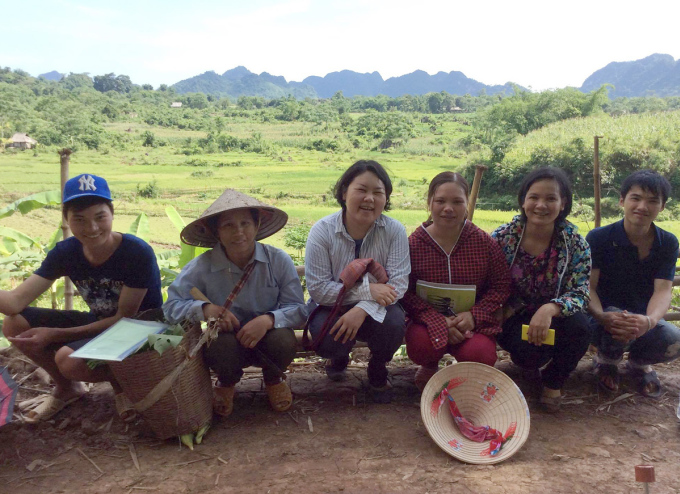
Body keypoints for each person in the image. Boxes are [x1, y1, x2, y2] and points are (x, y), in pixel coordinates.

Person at [0, 173, 162, 422]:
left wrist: (55, 334)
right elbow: (14, 303)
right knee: (14, 322)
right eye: (80, 219)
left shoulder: (136, 252)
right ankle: (68, 388)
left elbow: (125, 318)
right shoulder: (66, 252)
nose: (92, 228)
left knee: (69, 360)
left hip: (143, 330)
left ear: (112, 213)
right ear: (66, 219)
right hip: (102, 324)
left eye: (100, 217)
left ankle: (123, 382)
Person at [163, 189, 307, 418]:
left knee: (283, 340)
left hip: (268, 341)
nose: (238, 232)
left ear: (257, 225)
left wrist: (269, 320)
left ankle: (274, 378)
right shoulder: (201, 266)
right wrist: (204, 309)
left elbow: (299, 309)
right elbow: (170, 307)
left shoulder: (278, 260)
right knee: (219, 346)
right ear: (216, 232)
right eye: (228, 225)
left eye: (245, 223)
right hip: (229, 342)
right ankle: (226, 381)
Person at [305, 160, 410, 403]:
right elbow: (319, 290)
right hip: (330, 305)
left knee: (394, 324)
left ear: (386, 197)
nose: (369, 199)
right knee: (328, 338)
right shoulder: (322, 231)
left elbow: (399, 284)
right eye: (361, 190)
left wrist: (363, 307)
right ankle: (339, 356)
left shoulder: (394, 231)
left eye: (378, 192)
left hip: (380, 305)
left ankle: (378, 365)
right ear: (344, 192)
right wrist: (368, 290)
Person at [491, 167, 591, 412]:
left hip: (556, 317)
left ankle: (553, 382)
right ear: (523, 200)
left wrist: (550, 308)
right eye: (534, 197)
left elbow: (580, 291)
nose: (541, 205)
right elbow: (487, 282)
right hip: (513, 316)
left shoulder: (575, 243)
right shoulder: (502, 238)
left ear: (563, 203)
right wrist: (509, 307)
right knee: (528, 356)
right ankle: (529, 365)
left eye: (551, 198)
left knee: (581, 328)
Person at [402, 172, 511, 391]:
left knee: (480, 354)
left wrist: (474, 315)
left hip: (473, 323)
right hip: (428, 322)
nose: (448, 208)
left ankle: (465, 374)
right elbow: (404, 291)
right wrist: (436, 320)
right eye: (440, 201)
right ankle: (430, 364)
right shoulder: (413, 244)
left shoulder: (483, 242)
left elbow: (501, 286)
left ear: (467, 204)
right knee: (421, 346)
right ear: (430, 203)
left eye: (457, 201)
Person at [588, 170, 680, 397]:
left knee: (674, 339)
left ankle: (639, 364)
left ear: (662, 207)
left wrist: (649, 321)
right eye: (635, 198)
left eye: (652, 201)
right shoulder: (599, 238)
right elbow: (588, 287)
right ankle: (607, 360)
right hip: (601, 319)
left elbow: (663, 290)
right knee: (617, 317)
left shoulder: (667, 242)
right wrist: (601, 316)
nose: (642, 206)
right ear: (622, 200)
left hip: (640, 319)